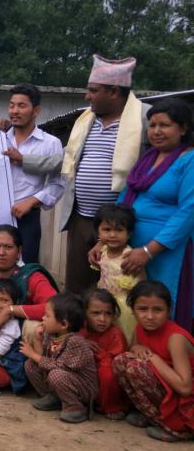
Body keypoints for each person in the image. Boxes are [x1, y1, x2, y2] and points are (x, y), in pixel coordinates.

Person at [59, 54, 149, 293]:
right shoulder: (86, 120)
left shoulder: (145, 118)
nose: (87, 96)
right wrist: (21, 158)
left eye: (93, 90)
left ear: (114, 91)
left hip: (121, 224)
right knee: (77, 286)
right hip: (82, 219)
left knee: (118, 286)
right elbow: (64, 157)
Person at [116, 98, 194, 331]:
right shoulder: (147, 159)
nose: (156, 131)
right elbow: (123, 200)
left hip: (168, 251)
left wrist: (149, 251)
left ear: (183, 128)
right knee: (133, 306)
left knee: (163, 306)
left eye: (165, 125)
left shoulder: (189, 160)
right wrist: (104, 240)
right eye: (152, 125)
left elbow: (188, 211)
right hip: (134, 248)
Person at [113, 281, 194, 442]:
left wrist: (153, 358)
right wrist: (137, 348)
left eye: (158, 310)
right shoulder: (140, 328)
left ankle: (179, 429)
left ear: (168, 311)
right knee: (120, 361)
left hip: (186, 401)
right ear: (133, 310)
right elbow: (132, 349)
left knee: (136, 368)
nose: (150, 316)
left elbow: (185, 388)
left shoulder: (175, 338)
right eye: (143, 309)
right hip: (168, 389)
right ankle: (154, 417)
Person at [0, 84, 65, 264]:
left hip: (27, 217)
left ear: (36, 110)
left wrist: (32, 201)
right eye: (12, 105)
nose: (15, 111)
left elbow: (58, 183)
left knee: (26, 269)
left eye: (21, 106)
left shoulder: (50, 143)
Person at [20, 293, 99, 424]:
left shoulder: (76, 342)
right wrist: (38, 340)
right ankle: (54, 398)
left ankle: (75, 407)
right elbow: (44, 360)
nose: (43, 318)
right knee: (30, 365)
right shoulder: (52, 335)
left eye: (47, 316)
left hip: (82, 389)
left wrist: (33, 354)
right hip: (60, 379)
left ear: (63, 324)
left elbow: (57, 366)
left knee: (56, 374)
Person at [90, 204, 143, 342]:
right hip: (104, 304)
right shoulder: (102, 252)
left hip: (124, 309)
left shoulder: (130, 256)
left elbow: (142, 283)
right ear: (98, 233)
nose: (113, 235)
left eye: (119, 230)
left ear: (129, 233)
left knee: (123, 336)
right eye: (107, 230)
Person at [80, 289, 130, 420]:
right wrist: (81, 344)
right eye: (96, 313)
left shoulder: (115, 334)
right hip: (86, 376)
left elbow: (115, 362)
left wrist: (99, 354)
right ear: (84, 313)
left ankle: (112, 407)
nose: (102, 319)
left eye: (108, 314)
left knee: (107, 374)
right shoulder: (80, 330)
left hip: (107, 381)